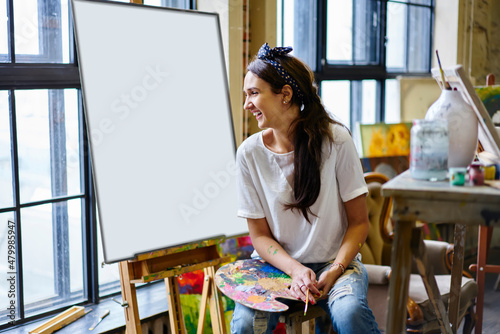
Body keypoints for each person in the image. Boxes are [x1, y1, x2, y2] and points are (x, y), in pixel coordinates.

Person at [231, 43, 381, 334]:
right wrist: (296, 269)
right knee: (247, 325)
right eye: (246, 94)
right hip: (274, 267)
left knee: (350, 315)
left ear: (285, 95)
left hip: (336, 263)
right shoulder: (249, 153)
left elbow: (359, 223)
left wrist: (335, 269)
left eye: (254, 93)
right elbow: (259, 236)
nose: (247, 104)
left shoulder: (336, 140)